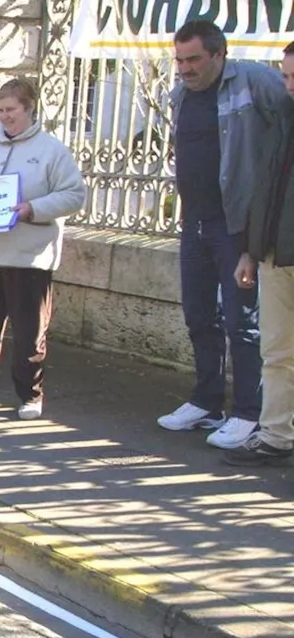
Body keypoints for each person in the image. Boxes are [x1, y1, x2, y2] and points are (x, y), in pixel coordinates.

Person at [156, 20, 291, 449]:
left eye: (194, 59)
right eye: (179, 59)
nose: (185, 69)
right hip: (193, 220)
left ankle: (249, 413)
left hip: (236, 224)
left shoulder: (256, 81)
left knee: (243, 323)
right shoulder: (180, 94)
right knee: (199, 315)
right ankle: (207, 402)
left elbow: (283, 132)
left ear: (219, 54)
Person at [0, 78, 86, 419]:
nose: (5, 117)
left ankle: (30, 395)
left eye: (12, 110)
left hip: (28, 256)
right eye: (2, 110)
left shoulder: (51, 150)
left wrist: (30, 208)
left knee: (28, 332)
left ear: (29, 109)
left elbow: (73, 194)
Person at [229, 41, 294, 466]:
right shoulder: (282, 121)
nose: (288, 86)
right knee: (277, 352)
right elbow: (262, 189)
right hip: (275, 255)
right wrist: (250, 252)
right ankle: (275, 435)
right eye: (286, 76)